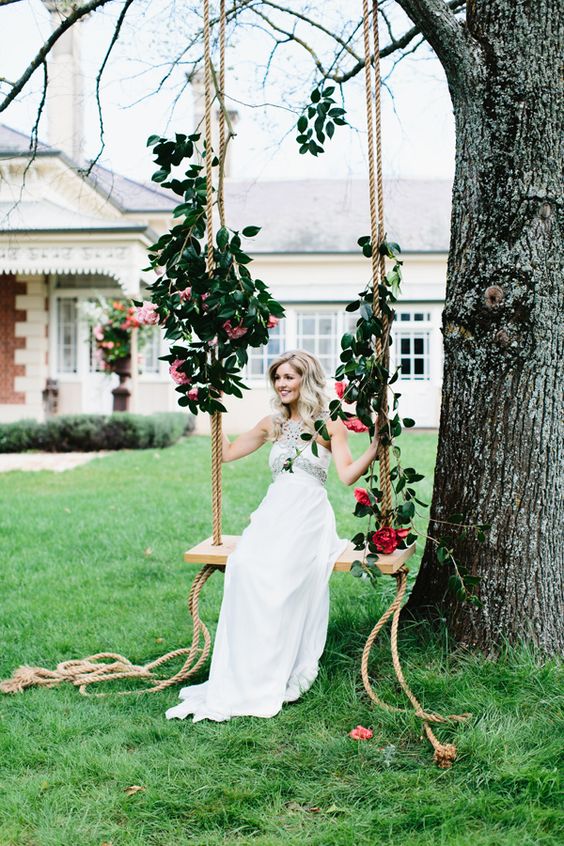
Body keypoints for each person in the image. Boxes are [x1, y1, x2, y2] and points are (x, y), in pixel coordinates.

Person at [165, 349, 379, 722]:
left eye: (289, 377)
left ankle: (279, 663)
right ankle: (247, 667)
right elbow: (228, 453)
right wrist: (216, 411)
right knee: (244, 567)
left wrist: (375, 449)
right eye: (277, 378)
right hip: (274, 512)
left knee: (281, 578)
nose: (282, 384)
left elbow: (346, 476)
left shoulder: (330, 425)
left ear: (305, 380)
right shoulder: (272, 424)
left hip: (308, 515)